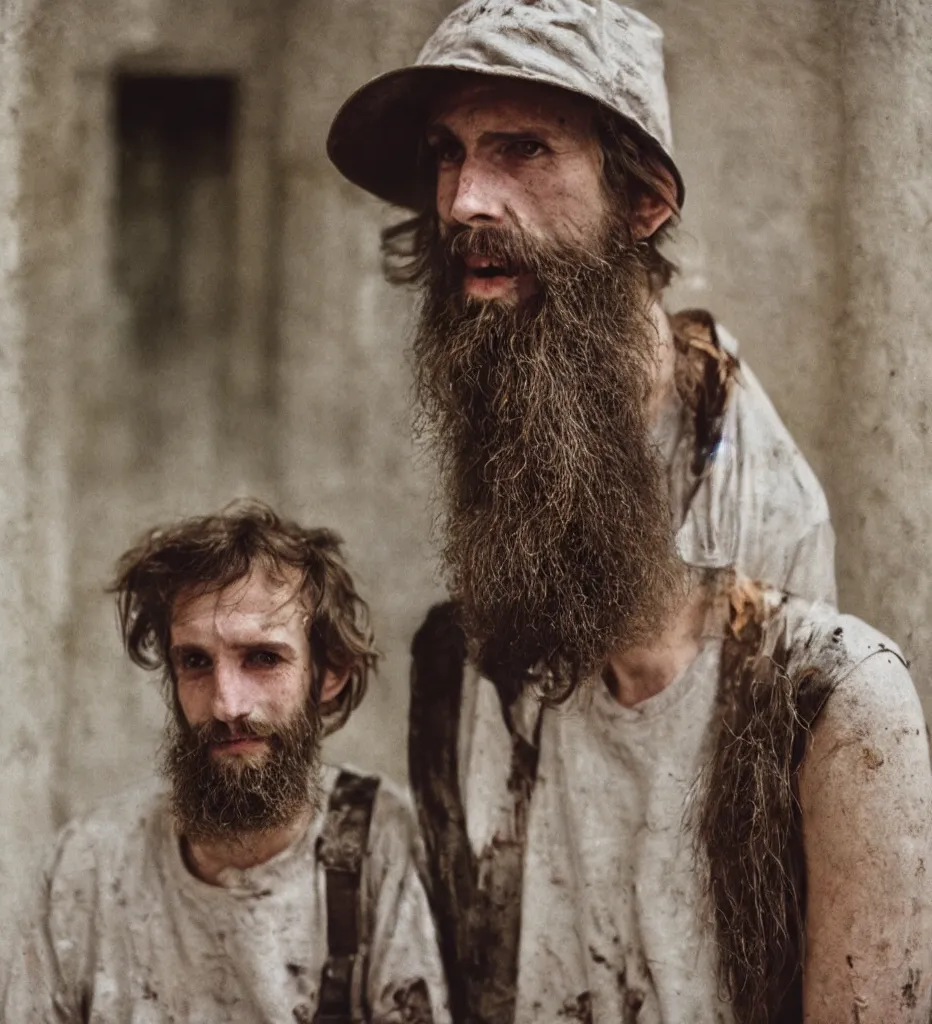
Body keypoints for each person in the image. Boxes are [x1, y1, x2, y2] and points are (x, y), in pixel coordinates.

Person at [327, 2, 932, 1021]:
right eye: (448, 152)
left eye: (521, 149)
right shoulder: (517, 413)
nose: (466, 197)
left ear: (642, 201)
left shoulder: (759, 538)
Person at [4, 501, 449, 1024]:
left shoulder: (381, 845)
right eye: (195, 662)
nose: (226, 704)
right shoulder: (86, 867)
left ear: (329, 673)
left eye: (263, 658)